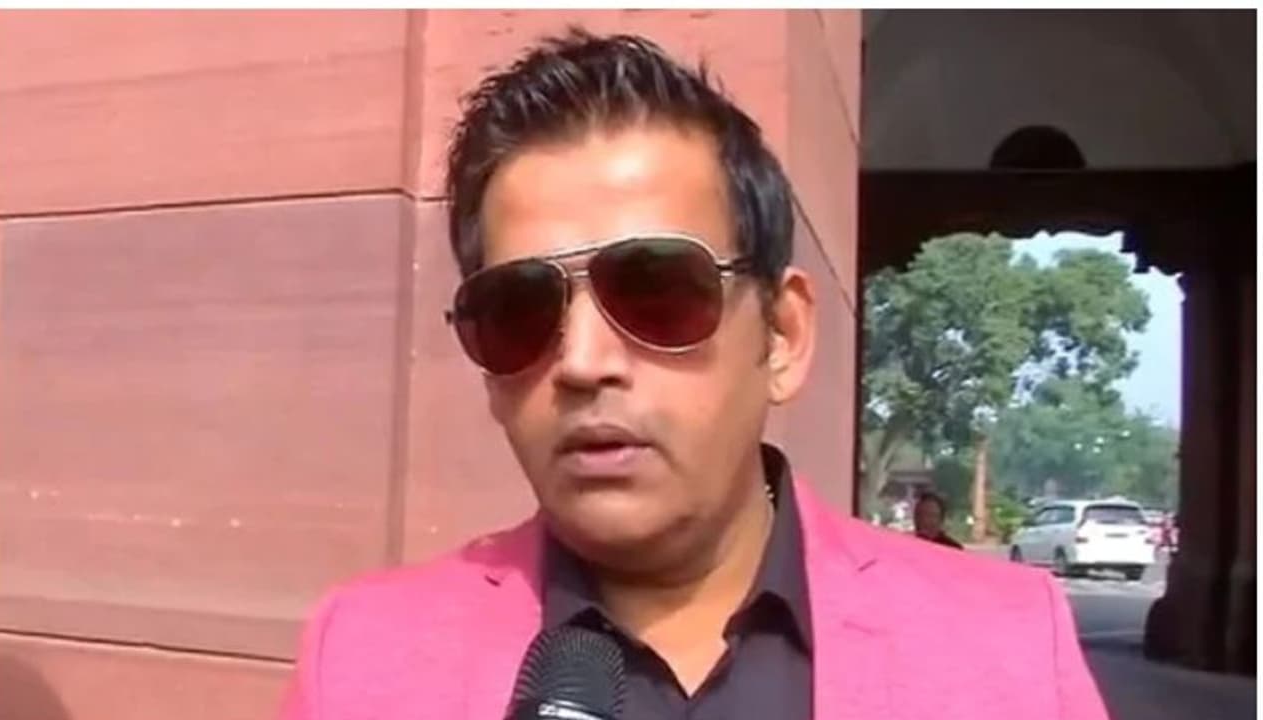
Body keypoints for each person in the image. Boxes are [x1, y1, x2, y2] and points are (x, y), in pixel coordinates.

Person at [278, 28, 1108, 720]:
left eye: (655, 292)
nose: (582, 363)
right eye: (518, 311)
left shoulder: (1006, 649)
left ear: (781, 335)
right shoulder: (362, 660)